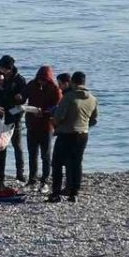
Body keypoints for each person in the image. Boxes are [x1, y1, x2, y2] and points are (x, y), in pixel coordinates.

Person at [48, 71, 98, 203]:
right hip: (83, 134)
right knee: (76, 163)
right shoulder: (92, 98)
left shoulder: (68, 97)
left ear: (72, 82)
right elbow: (94, 120)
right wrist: (83, 125)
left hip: (66, 134)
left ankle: (56, 194)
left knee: (57, 164)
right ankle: (74, 193)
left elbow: (59, 117)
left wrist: (52, 120)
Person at [24, 65, 63, 192]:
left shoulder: (55, 89)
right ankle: (32, 180)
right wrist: (19, 98)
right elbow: (24, 96)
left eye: (44, 80)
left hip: (46, 126)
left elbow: (57, 107)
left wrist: (44, 112)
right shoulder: (31, 85)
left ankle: (44, 181)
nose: (41, 82)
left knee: (45, 155)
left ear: (49, 79)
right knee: (32, 154)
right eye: (40, 79)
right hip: (31, 124)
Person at [0, 54, 28, 182]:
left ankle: (20, 173)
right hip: (1, 115)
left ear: (10, 68)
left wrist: (20, 97)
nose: (2, 71)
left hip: (15, 115)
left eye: (4, 69)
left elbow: (24, 97)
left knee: (17, 145)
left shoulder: (19, 80)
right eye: (1, 68)